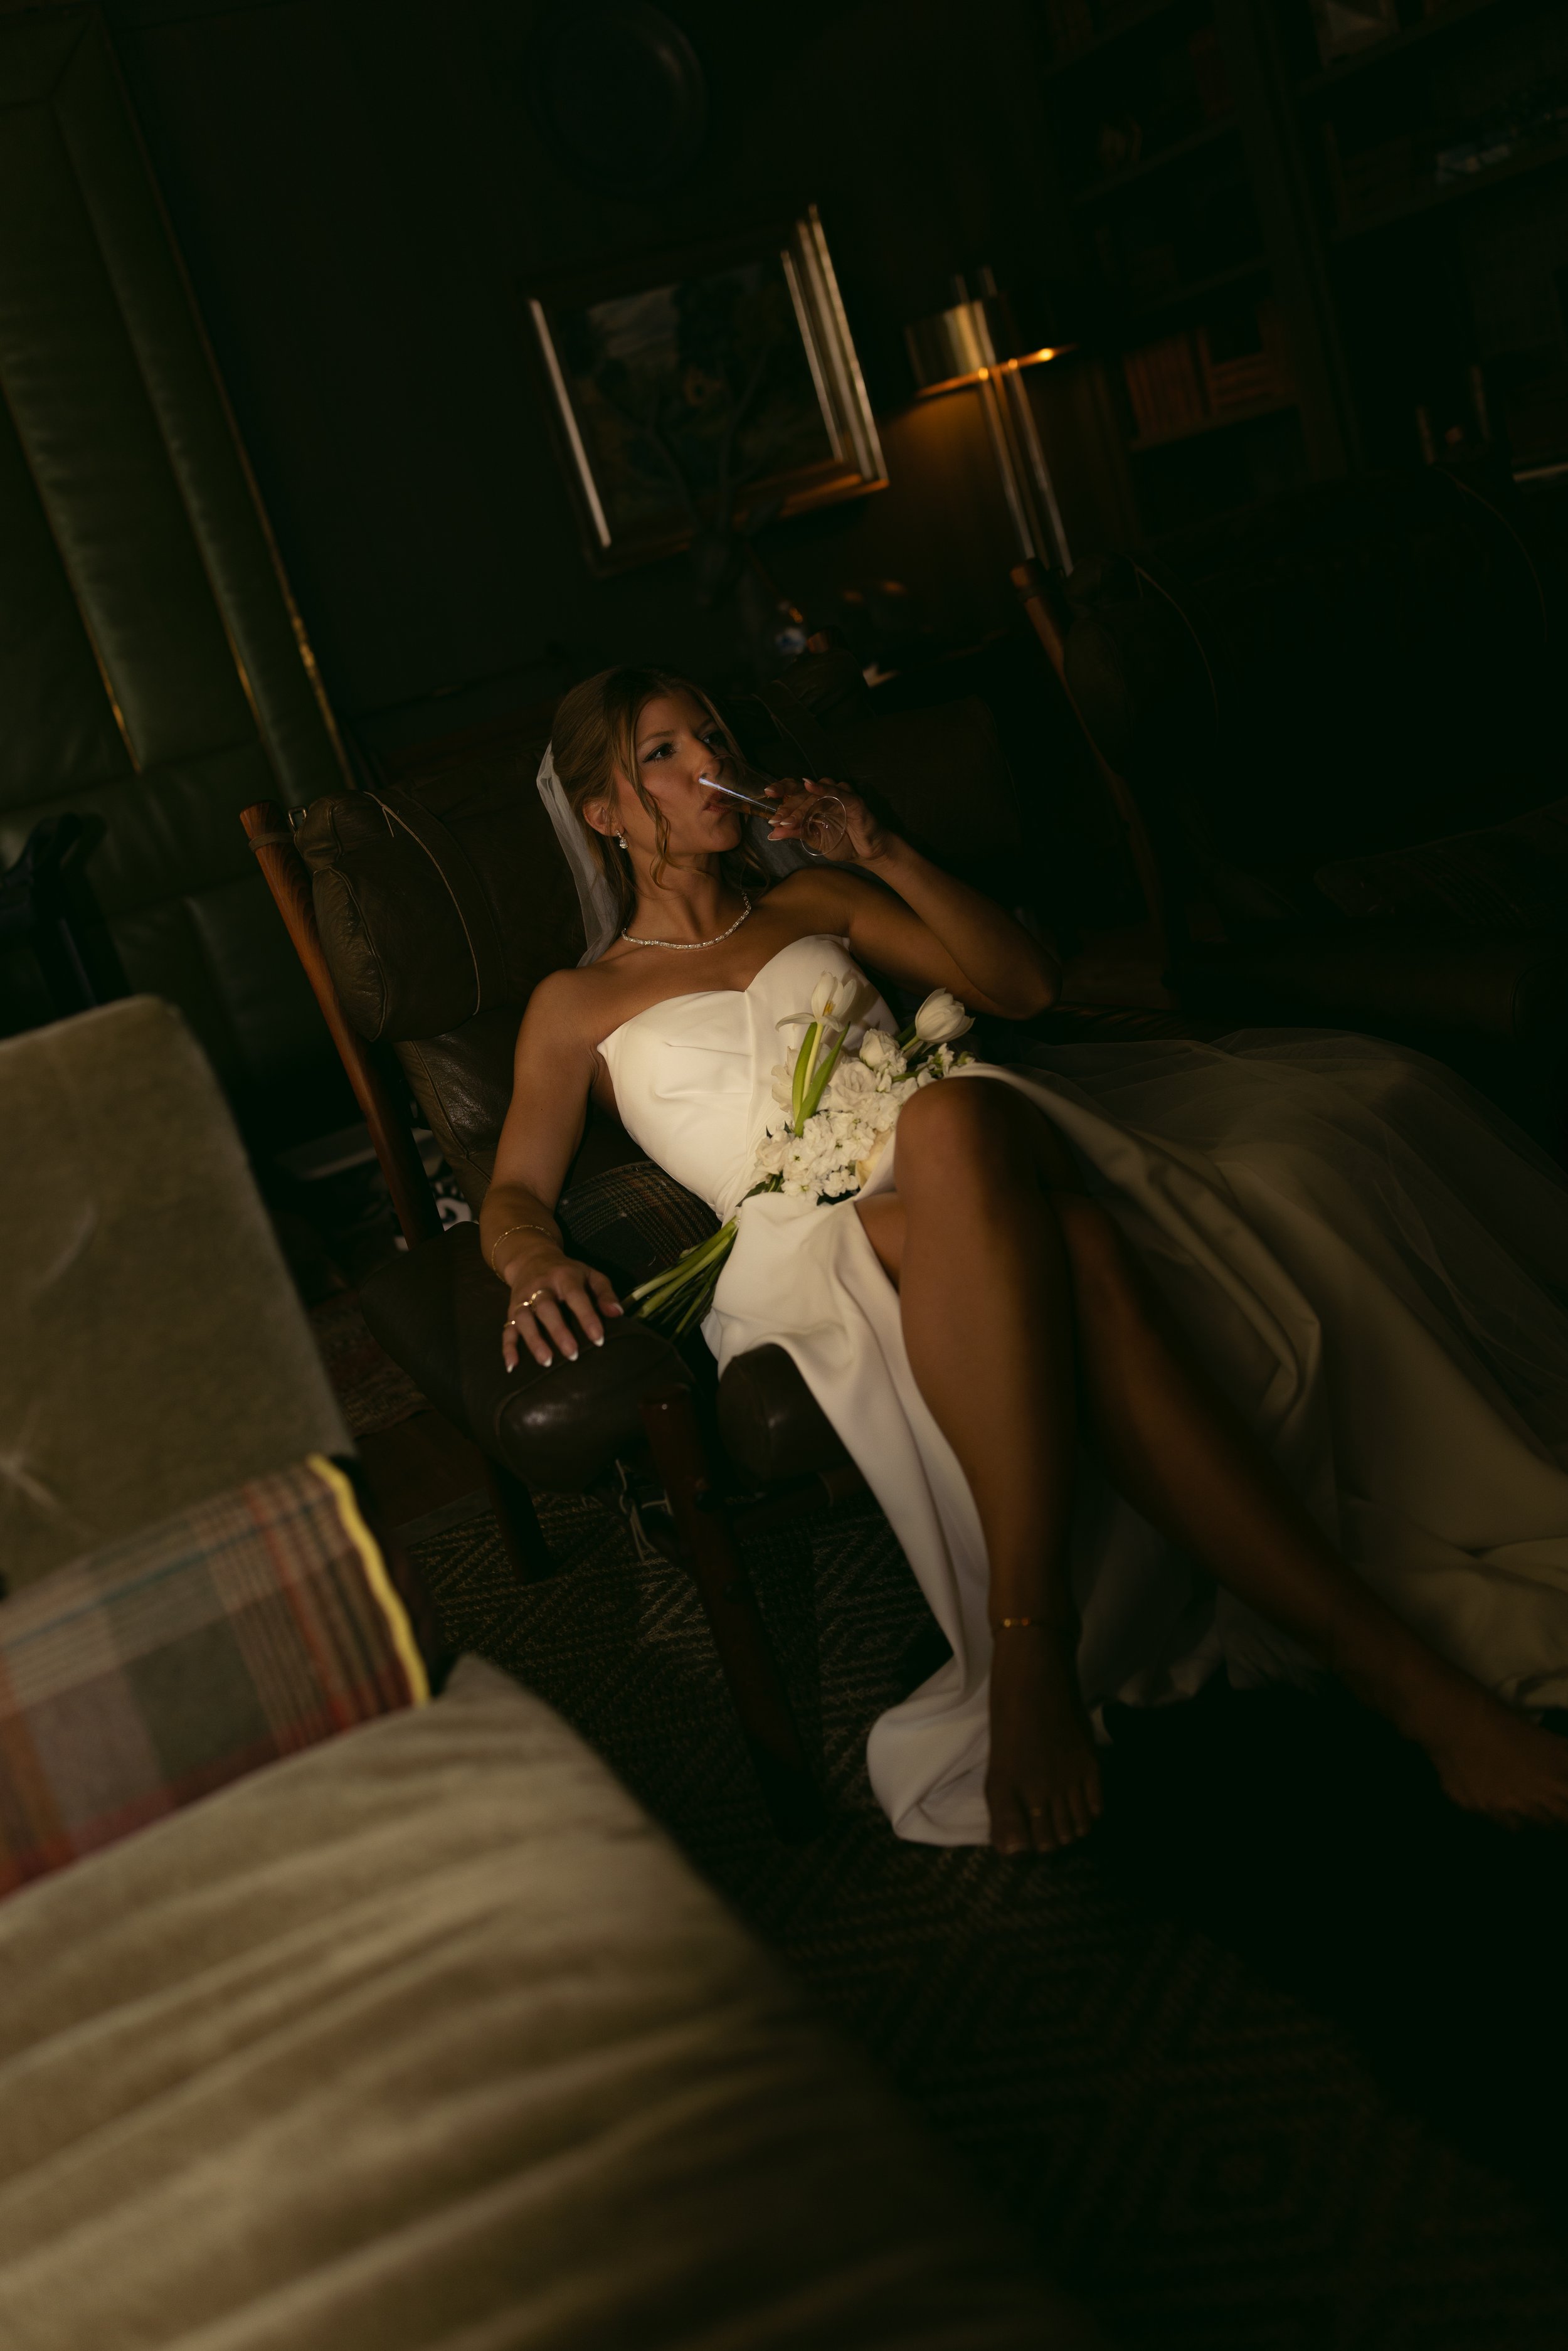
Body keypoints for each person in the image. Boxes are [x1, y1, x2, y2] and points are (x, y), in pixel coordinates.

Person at [482, 664, 1568, 1854]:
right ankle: (1398, 1681)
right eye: (659, 753)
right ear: (600, 814)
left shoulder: (817, 901)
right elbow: (516, 1194)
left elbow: (1021, 985)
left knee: (961, 1124)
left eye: (716, 736)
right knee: (1081, 1247)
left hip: (966, 1154)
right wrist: (534, 1264)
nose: (705, 764)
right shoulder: (575, 1002)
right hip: (802, 1239)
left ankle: (1034, 1645)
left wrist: (883, 847)